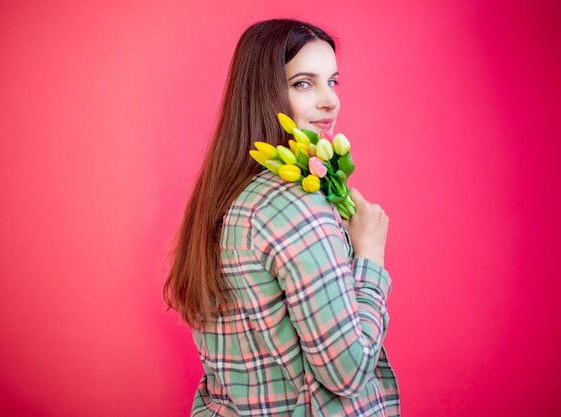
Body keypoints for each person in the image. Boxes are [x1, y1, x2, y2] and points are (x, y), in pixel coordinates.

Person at [164, 18, 400, 416]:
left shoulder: (226, 195)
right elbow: (348, 372)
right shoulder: (296, 205)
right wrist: (370, 256)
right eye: (303, 83)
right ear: (264, 93)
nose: (330, 100)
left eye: (333, 81)